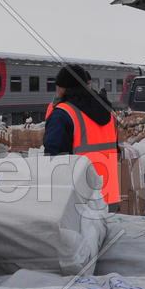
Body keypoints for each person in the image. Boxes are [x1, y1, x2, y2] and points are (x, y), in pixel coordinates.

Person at [43, 64, 119, 210]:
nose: (57, 90)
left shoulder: (62, 114)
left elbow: (54, 161)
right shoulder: (108, 112)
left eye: (58, 86)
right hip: (108, 197)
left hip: (79, 202)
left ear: (65, 88)